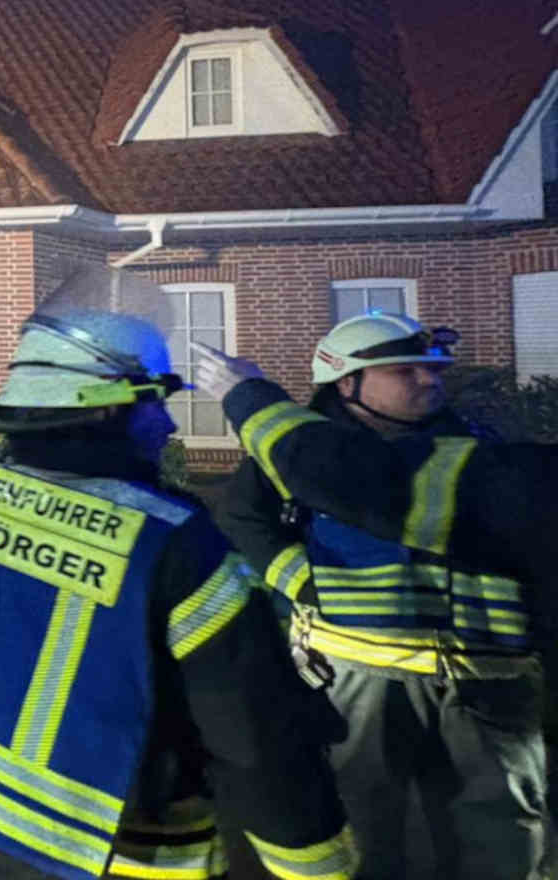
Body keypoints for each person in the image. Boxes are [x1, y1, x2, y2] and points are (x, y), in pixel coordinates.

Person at [0, 267, 358, 880]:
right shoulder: (174, 545)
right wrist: (320, 866)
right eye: (155, 402)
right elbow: (257, 740)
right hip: (116, 851)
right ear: (103, 409)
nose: (169, 426)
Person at [195, 321, 552, 880]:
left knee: (501, 833)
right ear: (346, 384)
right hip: (358, 673)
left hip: (485, 675)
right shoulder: (294, 451)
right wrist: (307, 585)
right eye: (405, 370)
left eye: (433, 369)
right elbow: (245, 520)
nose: (429, 380)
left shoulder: (472, 444)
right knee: (363, 819)